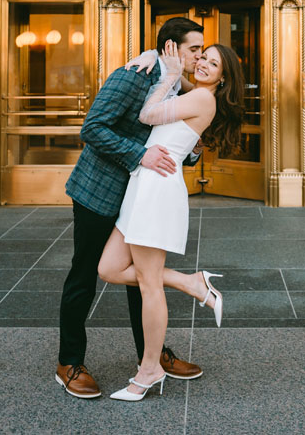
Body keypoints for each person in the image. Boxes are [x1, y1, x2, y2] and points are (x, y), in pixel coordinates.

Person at [55, 17, 207, 399]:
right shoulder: (132, 75)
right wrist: (140, 155)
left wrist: (192, 149)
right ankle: (68, 362)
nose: (199, 57)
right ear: (171, 47)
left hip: (139, 196)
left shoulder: (178, 85)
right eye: (194, 49)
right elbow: (92, 128)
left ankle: (151, 360)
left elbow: (169, 140)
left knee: (143, 278)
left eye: (203, 51)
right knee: (84, 276)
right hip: (98, 193)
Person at [96, 41, 246, 402]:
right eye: (204, 58)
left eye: (214, 63)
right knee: (109, 268)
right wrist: (157, 63)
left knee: (149, 285)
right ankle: (193, 283)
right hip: (143, 186)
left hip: (158, 191)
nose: (206, 65)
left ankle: (149, 370)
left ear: (224, 77)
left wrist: (171, 76)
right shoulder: (194, 93)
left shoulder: (203, 99)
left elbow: (148, 115)